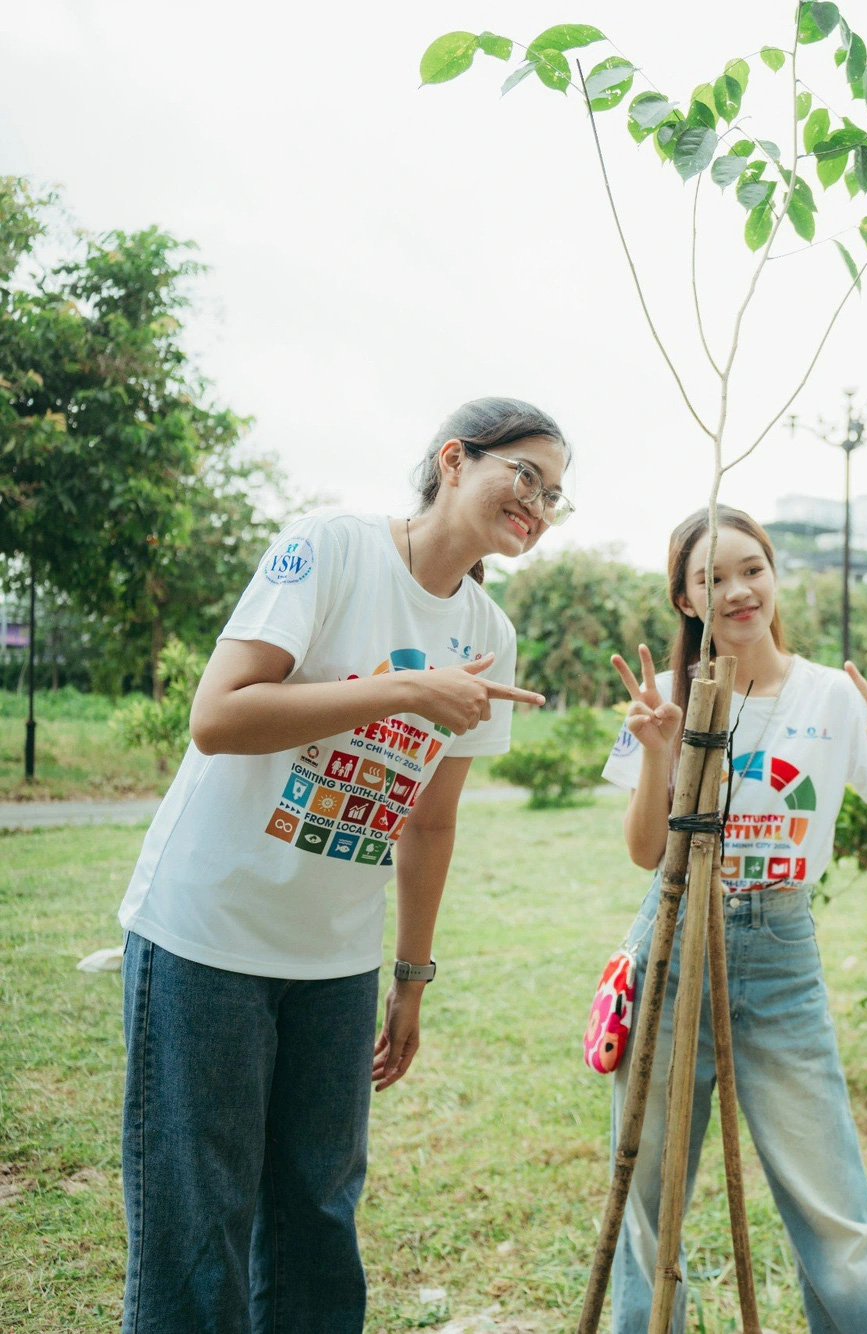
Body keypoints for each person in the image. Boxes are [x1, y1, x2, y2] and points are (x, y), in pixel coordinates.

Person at [114, 398, 563, 1333]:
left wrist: (411, 977)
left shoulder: (490, 632)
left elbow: (430, 824)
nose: (540, 504)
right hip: (208, 938)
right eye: (525, 475)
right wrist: (401, 688)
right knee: (199, 1229)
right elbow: (219, 715)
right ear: (453, 460)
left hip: (335, 966)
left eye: (556, 495)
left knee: (318, 1220)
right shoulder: (331, 548)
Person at [598, 505, 867, 1334]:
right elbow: (647, 853)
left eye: (751, 568)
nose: (738, 590)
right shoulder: (669, 699)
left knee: (838, 1220)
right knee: (650, 1211)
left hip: (781, 950)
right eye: (711, 579)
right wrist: (657, 749)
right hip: (673, 943)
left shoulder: (831, 694)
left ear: (774, 574)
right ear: (686, 600)